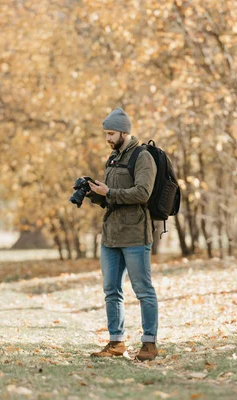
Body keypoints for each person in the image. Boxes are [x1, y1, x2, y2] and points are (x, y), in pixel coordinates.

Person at [86, 107, 159, 361]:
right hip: (111, 235)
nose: (107, 138)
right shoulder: (113, 158)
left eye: (110, 133)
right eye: (106, 133)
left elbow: (143, 193)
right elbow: (111, 199)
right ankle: (116, 343)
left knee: (143, 290)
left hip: (135, 234)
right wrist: (95, 194)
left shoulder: (142, 157)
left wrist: (110, 193)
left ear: (123, 132)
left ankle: (149, 344)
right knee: (111, 291)